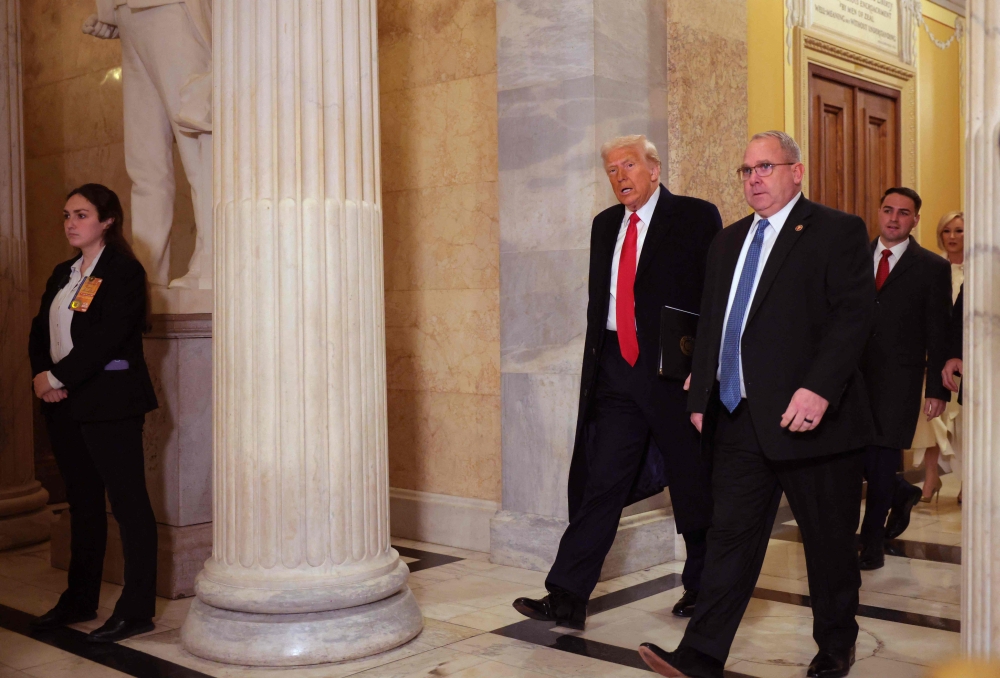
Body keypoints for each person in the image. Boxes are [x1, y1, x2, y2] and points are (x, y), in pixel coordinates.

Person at [638, 131, 875, 678]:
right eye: (746, 170)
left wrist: (820, 387)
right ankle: (701, 654)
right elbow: (715, 323)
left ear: (798, 171)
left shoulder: (836, 231)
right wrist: (701, 395)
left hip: (811, 419)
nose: (755, 179)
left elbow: (854, 318)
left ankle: (837, 645)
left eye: (766, 167)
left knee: (828, 543)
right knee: (730, 541)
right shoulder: (727, 241)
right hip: (739, 418)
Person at [511, 135, 722, 629]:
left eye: (629, 165)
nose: (620, 176)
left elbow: (713, 297)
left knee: (692, 483)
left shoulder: (695, 216)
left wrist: (705, 366)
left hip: (674, 373)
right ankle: (565, 595)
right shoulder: (605, 225)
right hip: (615, 373)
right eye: (611, 170)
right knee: (601, 483)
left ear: (654, 168)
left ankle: (704, 587)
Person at [28, 184, 160, 643]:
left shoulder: (123, 271)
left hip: (110, 403)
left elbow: (108, 338)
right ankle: (79, 599)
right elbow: (38, 328)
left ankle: (137, 609)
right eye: (67, 214)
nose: (70, 222)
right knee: (82, 505)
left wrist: (58, 377)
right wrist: (42, 376)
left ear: (107, 221)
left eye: (81, 214)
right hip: (63, 405)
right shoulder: (63, 273)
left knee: (128, 506)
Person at [83, 0, 213, 289]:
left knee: (198, 141)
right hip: (128, 13)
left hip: (169, 7)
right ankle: (145, 278)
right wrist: (110, 13)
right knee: (145, 164)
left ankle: (211, 262)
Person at [856, 188, 951, 569]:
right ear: (878, 213)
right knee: (854, 453)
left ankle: (871, 540)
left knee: (881, 456)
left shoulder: (931, 267)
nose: (894, 218)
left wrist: (938, 390)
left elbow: (939, 332)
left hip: (900, 378)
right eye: (888, 210)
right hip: (851, 375)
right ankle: (900, 492)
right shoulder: (852, 257)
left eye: (904, 213)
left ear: (915, 220)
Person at [909, 212, 965, 502]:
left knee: (965, 419)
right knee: (930, 414)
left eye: (959, 230)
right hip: (934, 353)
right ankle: (932, 476)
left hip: (966, 356)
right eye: (947, 231)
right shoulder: (934, 267)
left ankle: (969, 480)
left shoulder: (978, 270)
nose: (952, 237)